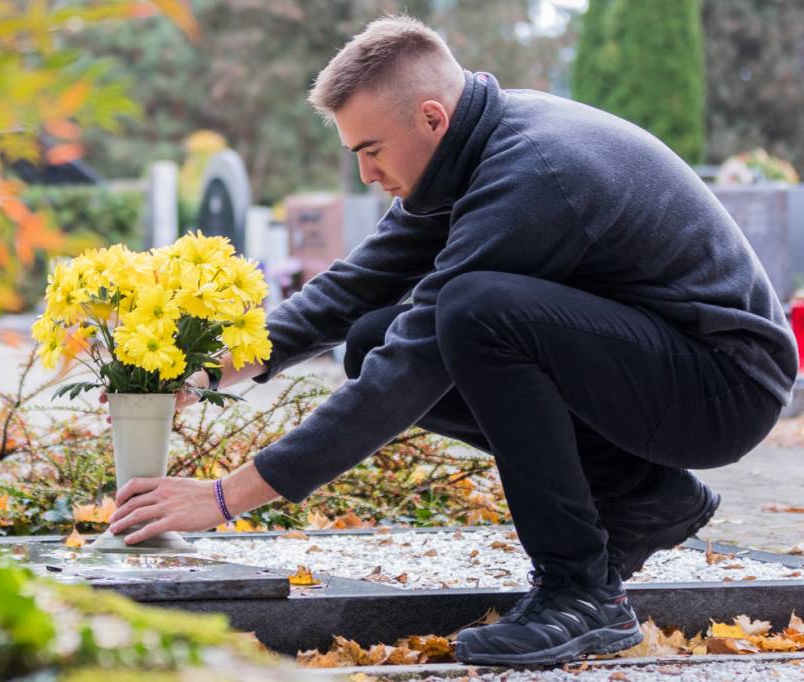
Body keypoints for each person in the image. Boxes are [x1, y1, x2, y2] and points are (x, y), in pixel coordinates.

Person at [107, 15, 797, 665]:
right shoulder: (473, 145)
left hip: (722, 388)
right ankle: (644, 497)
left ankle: (580, 592)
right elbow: (358, 286)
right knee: (372, 335)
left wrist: (228, 497)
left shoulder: (534, 175)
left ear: (431, 117)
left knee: (471, 313)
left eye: (370, 151)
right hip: (660, 369)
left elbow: (413, 361)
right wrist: (207, 371)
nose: (366, 176)